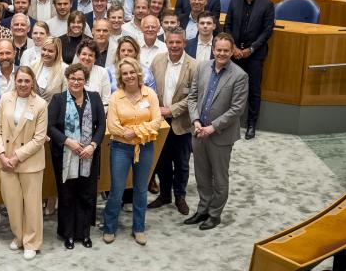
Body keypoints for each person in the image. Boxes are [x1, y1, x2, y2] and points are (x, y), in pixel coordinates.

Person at [184, 33, 249, 230]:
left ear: (232, 51)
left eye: (226, 50)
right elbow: (192, 96)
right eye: (218, 49)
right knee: (202, 175)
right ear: (213, 49)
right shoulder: (202, 67)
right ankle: (203, 209)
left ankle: (214, 214)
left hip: (220, 135)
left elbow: (237, 109)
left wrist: (212, 127)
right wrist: (195, 120)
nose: (221, 53)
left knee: (219, 178)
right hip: (198, 131)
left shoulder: (239, 76)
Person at [0, 65, 49, 260]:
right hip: (5, 160)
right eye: (20, 80)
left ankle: (32, 241)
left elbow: (39, 139)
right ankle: (19, 236)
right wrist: (1, 154)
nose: (23, 84)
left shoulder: (40, 104)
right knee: (12, 203)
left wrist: (16, 157)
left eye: (27, 81)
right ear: (15, 81)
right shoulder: (5, 99)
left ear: (32, 83)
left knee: (32, 204)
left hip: (29, 161)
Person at [102, 57, 162, 246]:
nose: (129, 76)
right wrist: (127, 133)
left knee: (141, 188)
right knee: (117, 189)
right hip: (120, 148)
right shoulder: (115, 97)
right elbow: (112, 126)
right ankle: (109, 227)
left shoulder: (150, 94)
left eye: (131, 72)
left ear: (138, 73)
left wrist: (134, 132)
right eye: (124, 73)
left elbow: (157, 122)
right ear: (121, 76)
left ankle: (139, 228)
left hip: (145, 147)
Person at [48, 63, 105, 249]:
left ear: (85, 80)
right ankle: (68, 234)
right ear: (67, 79)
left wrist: (93, 146)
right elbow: (50, 127)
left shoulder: (94, 98)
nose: (76, 82)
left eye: (80, 79)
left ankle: (84, 233)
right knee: (67, 195)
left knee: (86, 195)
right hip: (65, 156)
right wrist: (68, 141)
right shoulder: (58, 100)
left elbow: (101, 126)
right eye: (72, 78)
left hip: (89, 156)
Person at [149, 28, 197, 216]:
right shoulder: (157, 61)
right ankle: (164, 195)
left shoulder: (194, 66)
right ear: (166, 43)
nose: (174, 46)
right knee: (162, 162)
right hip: (160, 123)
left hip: (182, 124)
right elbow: (150, 88)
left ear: (184, 43)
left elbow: (194, 96)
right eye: (171, 42)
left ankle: (180, 197)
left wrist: (171, 110)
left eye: (178, 42)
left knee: (182, 163)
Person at [222, 0, 275, 139]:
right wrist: (234, 48)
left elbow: (267, 31)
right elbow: (227, 26)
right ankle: (227, 122)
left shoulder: (267, 4)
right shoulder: (234, 2)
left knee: (253, 91)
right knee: (230, 88)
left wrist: (251, 49)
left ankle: (252, 124)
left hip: (255, 55)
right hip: (235, 53)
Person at [31, 36, 66, 103]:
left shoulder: (64, 69)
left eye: (50, 51)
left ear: (57, 53)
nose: (46, 53)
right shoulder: (33, 65)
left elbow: (64, 97)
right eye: (44, 49)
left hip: (52, 111)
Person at [77, 39, 111, 104]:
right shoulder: (70, 71)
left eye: (91, 55)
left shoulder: (102, 72)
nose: (87, 58)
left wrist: (98, 113)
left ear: (95, 58)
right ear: (78, 55)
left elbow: (106, 100)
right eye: (84, 54)